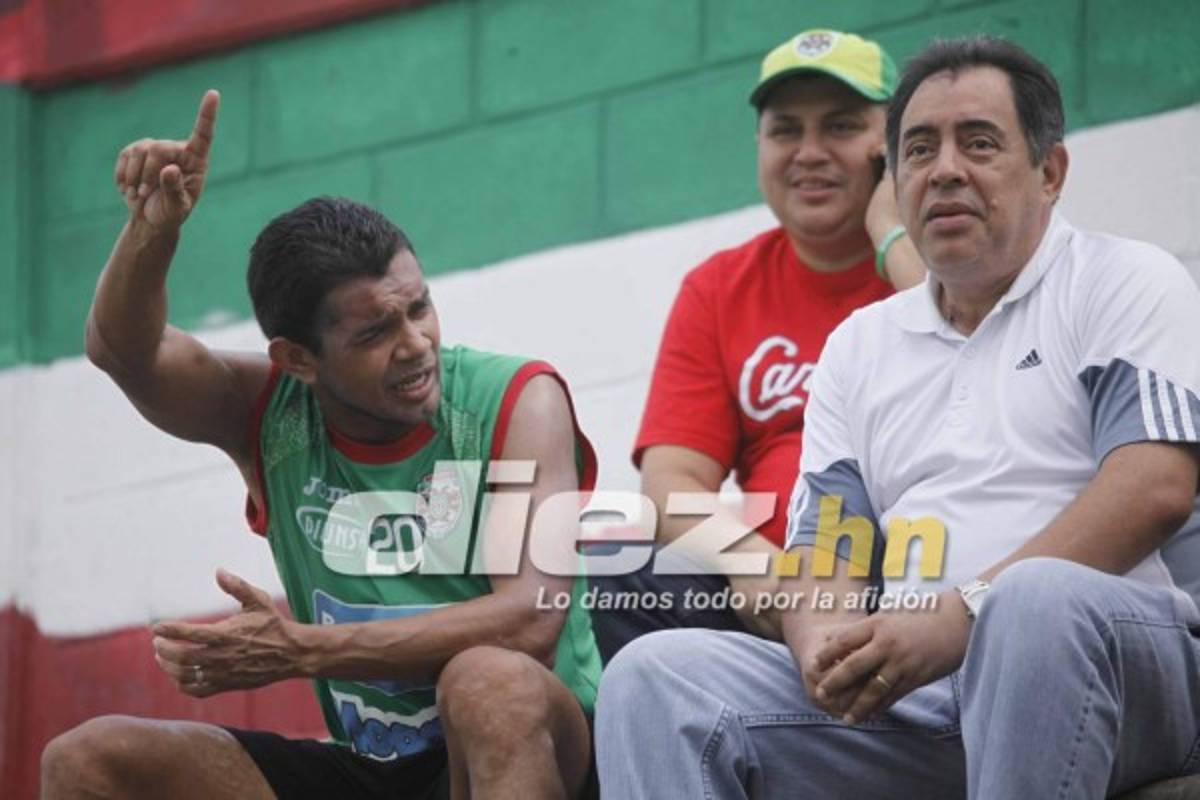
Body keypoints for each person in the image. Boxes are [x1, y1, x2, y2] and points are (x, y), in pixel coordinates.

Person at [596, 35, 1200, 798]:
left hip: (1117, 665)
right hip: (918, 681)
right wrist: (825, 641)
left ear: (1050, 172)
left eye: (978, 143)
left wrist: (961, 616)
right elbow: (835, 539)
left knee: (1032, 601)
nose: (945, 168)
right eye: (919, 149)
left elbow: (1155, 489)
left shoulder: (1121, 279)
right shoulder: (862, 344)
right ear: (900, 173)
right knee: (657, 677)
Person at [40, 90, 602, 800]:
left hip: (546, 749)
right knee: (88, 759)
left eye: (420, 308)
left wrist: (302, 649)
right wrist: (153, 231)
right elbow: (126, 352)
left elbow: (531, 621)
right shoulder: (269, 409)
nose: (415, 345)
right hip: (376, 774)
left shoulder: (516, 399)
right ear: (298, 359)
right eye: (374, 334)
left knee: (487, 680)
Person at [589, 29, 925, 659]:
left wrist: (889, 230)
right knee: (617, 576)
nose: (810, 152)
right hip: (769, 591)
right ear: (760, 146)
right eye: (786, 130)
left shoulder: (939, 263)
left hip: (915, 567)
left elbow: (973, 346)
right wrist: (746, 559)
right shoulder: (719, 288)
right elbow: (671, 478)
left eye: (842, 126)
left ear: (893, 146)